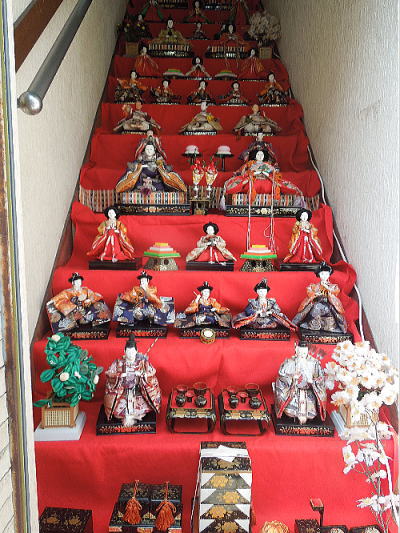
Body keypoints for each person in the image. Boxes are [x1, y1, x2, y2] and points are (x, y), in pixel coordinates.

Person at [103, 335, 161, 426]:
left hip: (138, 392)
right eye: (128, 352)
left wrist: (142, 375)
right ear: (124, 351)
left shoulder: (142, 362)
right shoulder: (118, 363)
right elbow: (109, 373)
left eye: (132, 352)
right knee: (118, 411)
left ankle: (138, 414)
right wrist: (119, 376)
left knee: (141, 408)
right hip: (123, 393)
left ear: (136, 351)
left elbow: (152, 372)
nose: (130, 354)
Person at [223, 148, 304, 204]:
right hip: (253, 180)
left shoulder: (268, 165)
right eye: (258, 154)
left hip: (267, 180)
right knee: (243, 183)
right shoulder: (249, 164)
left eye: (262, 154)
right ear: (254, 155)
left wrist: (267, 174)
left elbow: (275, 174)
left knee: (277, 184)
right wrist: (254, 173)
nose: (260, 156)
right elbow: (241, 173)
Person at [274, 341, 327, 425]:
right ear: (296, 351)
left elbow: (320, 379)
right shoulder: (289, 362)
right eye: (300, 353)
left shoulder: (314, 363)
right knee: (290, 409)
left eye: (304, 353)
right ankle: (291, 417)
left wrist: (313, 381)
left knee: (311, 410)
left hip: (310, 390)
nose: (302, 355)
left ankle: (309, 418)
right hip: (292, 391)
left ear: (307, 352)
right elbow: (281, 376)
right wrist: (293, 378)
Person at [116, 136, 187, 194]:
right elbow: (131, 173)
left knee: (160, 187)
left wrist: (160, 168)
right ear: (144, 150)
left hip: (155, 182)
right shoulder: (140, 161)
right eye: (147, 149)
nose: (149, 151)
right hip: (142, 182)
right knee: (138, 187)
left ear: (154, 150)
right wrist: (139, 168)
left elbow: (165, 171)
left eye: (151, 149)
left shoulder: (158, 162)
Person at [46, 273, 111, 333]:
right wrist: (51, 301)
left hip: (86, 309)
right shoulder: (67, 292)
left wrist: (89, 300)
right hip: (74, 312)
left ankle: (92, 320)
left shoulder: (85, 289)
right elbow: (57, 298)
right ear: (72, 282)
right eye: (76, 282)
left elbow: (92, 295)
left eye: (79, 282)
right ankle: (74, 323)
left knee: (99, 303)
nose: (78, 284)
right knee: (61, 308)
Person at [292, 263, 347, 333]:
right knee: (315, 308)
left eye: (326, 274)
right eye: (322, 274)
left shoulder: (333, 286)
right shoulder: (314, 286)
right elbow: (309, 292)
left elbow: (335, 292)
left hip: (329, 304)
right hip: (317, 303)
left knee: (331, 315)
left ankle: (331, 326)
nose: (324, 276)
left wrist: (327, 287)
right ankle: (311, 324)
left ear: (329, 275)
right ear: (319, 274)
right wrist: (316, 294)